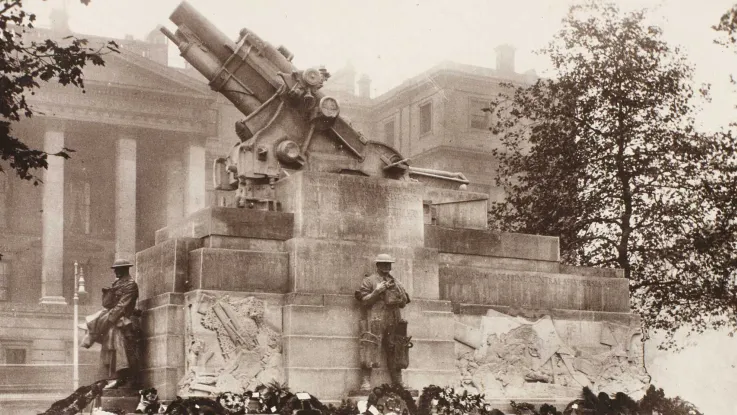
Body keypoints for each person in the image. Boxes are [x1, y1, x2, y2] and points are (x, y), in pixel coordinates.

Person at [81, 259, 142, 389]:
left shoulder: (131, 285)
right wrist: (108, 292)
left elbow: (122, 305)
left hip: (122, 320)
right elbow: (107, 304)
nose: (115, 271)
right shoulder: (117, 283)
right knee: (110, 347)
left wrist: (109, 320)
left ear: (125, 269)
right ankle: (113, 377)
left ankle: (121, 377)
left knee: (118, 347)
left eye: (117, 269)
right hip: (115, 319)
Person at [355, 254, 412, 391]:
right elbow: (364, 301)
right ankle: (366, 381)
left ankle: (398, 381)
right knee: (370, 346)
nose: (387, 266)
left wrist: (402, 295)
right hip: (376, 317)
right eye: (384, 263)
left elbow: (404, 303)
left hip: (394, 318)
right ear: (378, 265)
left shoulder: (396, 282)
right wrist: (377, 291)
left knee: (397, 348)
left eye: (389, 264)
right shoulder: (369, 281)